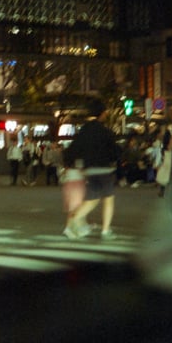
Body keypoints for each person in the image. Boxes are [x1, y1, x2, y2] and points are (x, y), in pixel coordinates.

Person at [62, 99, 121, 240]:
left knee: (92, 200)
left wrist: (69, 163)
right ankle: (105, 231)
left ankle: (74, 221)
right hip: (105, 170)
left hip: (90, 170)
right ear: (103, 113)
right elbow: (114, 151)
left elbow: (73, 149)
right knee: (108, 199)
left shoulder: (84, 130)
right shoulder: (105, 131)